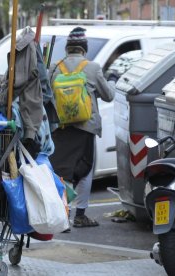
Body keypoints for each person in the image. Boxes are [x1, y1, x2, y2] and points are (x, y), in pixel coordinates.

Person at [48, 27, 117, 229]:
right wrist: (111, 81)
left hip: (60, 126)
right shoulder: (93, 68)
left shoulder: (54, 67)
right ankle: (80, 216)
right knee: (84, 171)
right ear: (84, 48)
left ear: (67, 48)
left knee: (61, 170)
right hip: (85, 126)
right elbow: (109, 96)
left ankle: (61, 214)